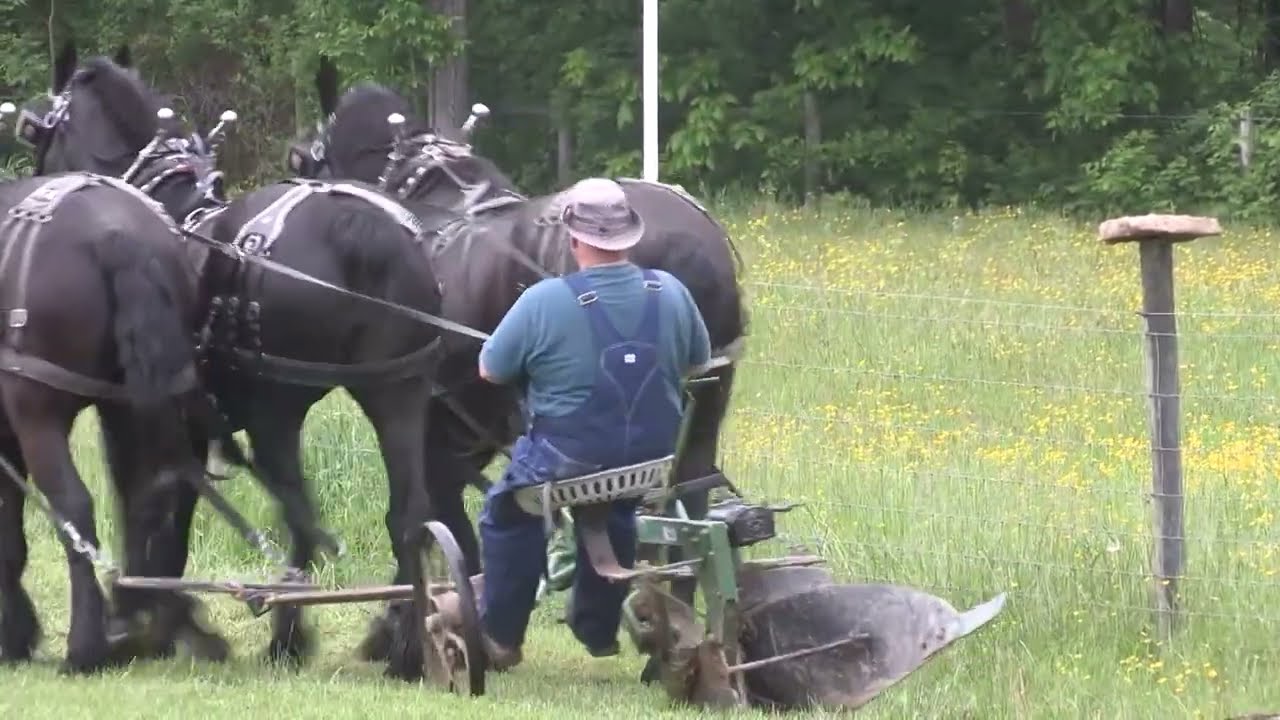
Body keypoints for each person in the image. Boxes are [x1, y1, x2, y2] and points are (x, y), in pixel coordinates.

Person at [429, 177, 712, 671]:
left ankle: (500, 634)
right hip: (650, 461)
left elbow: (490, 369)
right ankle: (595, 625)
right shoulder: (670, 291)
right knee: (618, 510)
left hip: (565, 463)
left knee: (506, 517)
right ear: (630, 237)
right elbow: (699, 360)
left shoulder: (544, 300)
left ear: (573, 238)